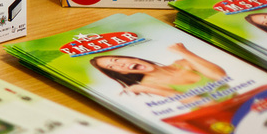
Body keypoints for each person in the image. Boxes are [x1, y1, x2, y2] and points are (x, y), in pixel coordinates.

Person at [90, 43, 229, 100]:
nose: (119, 64)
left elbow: (220, 76)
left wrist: (183, 52)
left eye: (115, 60)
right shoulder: (150, 85)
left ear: (133, 58)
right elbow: (198, 102)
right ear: (123, 73)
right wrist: (145, 89)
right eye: (112, 67)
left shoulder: (183, 63)